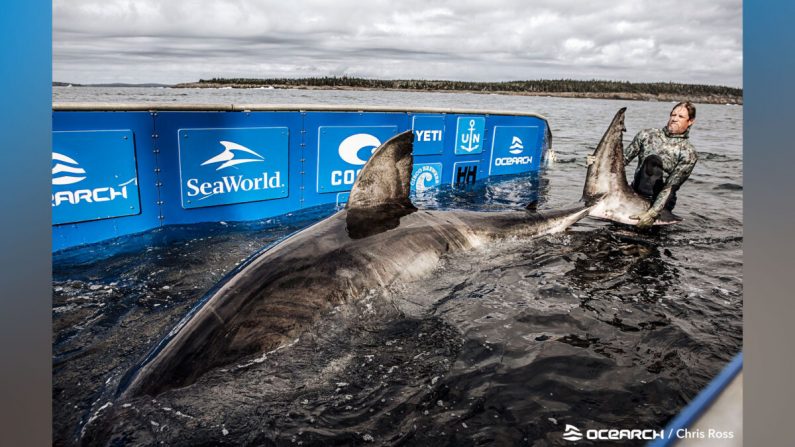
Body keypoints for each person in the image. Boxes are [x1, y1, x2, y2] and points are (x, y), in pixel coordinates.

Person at [589, 102, 698, 228]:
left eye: (680, 117)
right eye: (673, 115)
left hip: (661, 202)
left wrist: (652, 214)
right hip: (634, 194)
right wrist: (597, 164)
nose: (674, 119)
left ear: (690, 121)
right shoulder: (646, 135)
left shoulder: (688, 153)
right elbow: (621, 162)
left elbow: (670, 187)